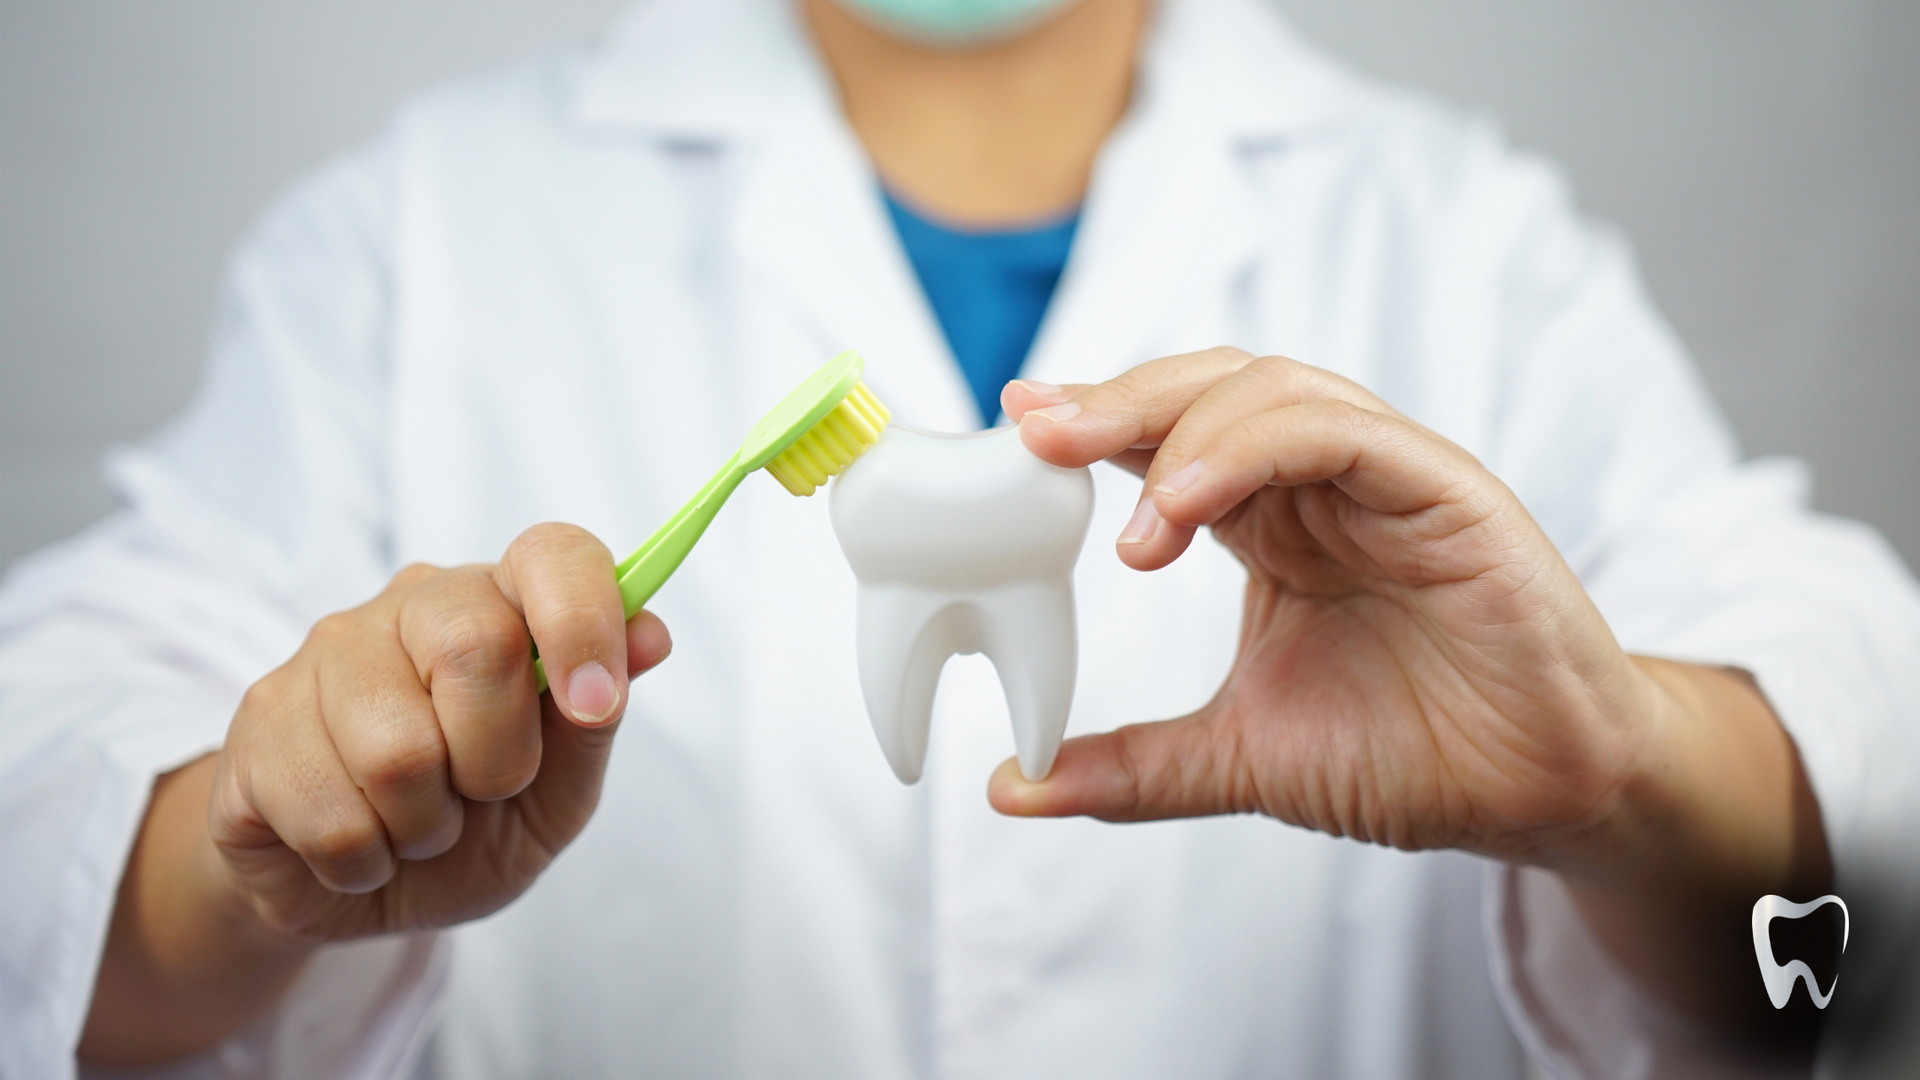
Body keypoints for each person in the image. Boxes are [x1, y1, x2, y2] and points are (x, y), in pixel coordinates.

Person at [1, 0, 1916, 1076]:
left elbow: (1855, 874)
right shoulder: (420, 233)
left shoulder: (1464, 238)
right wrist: (248, 862)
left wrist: (1628, 774)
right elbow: (57, 793)